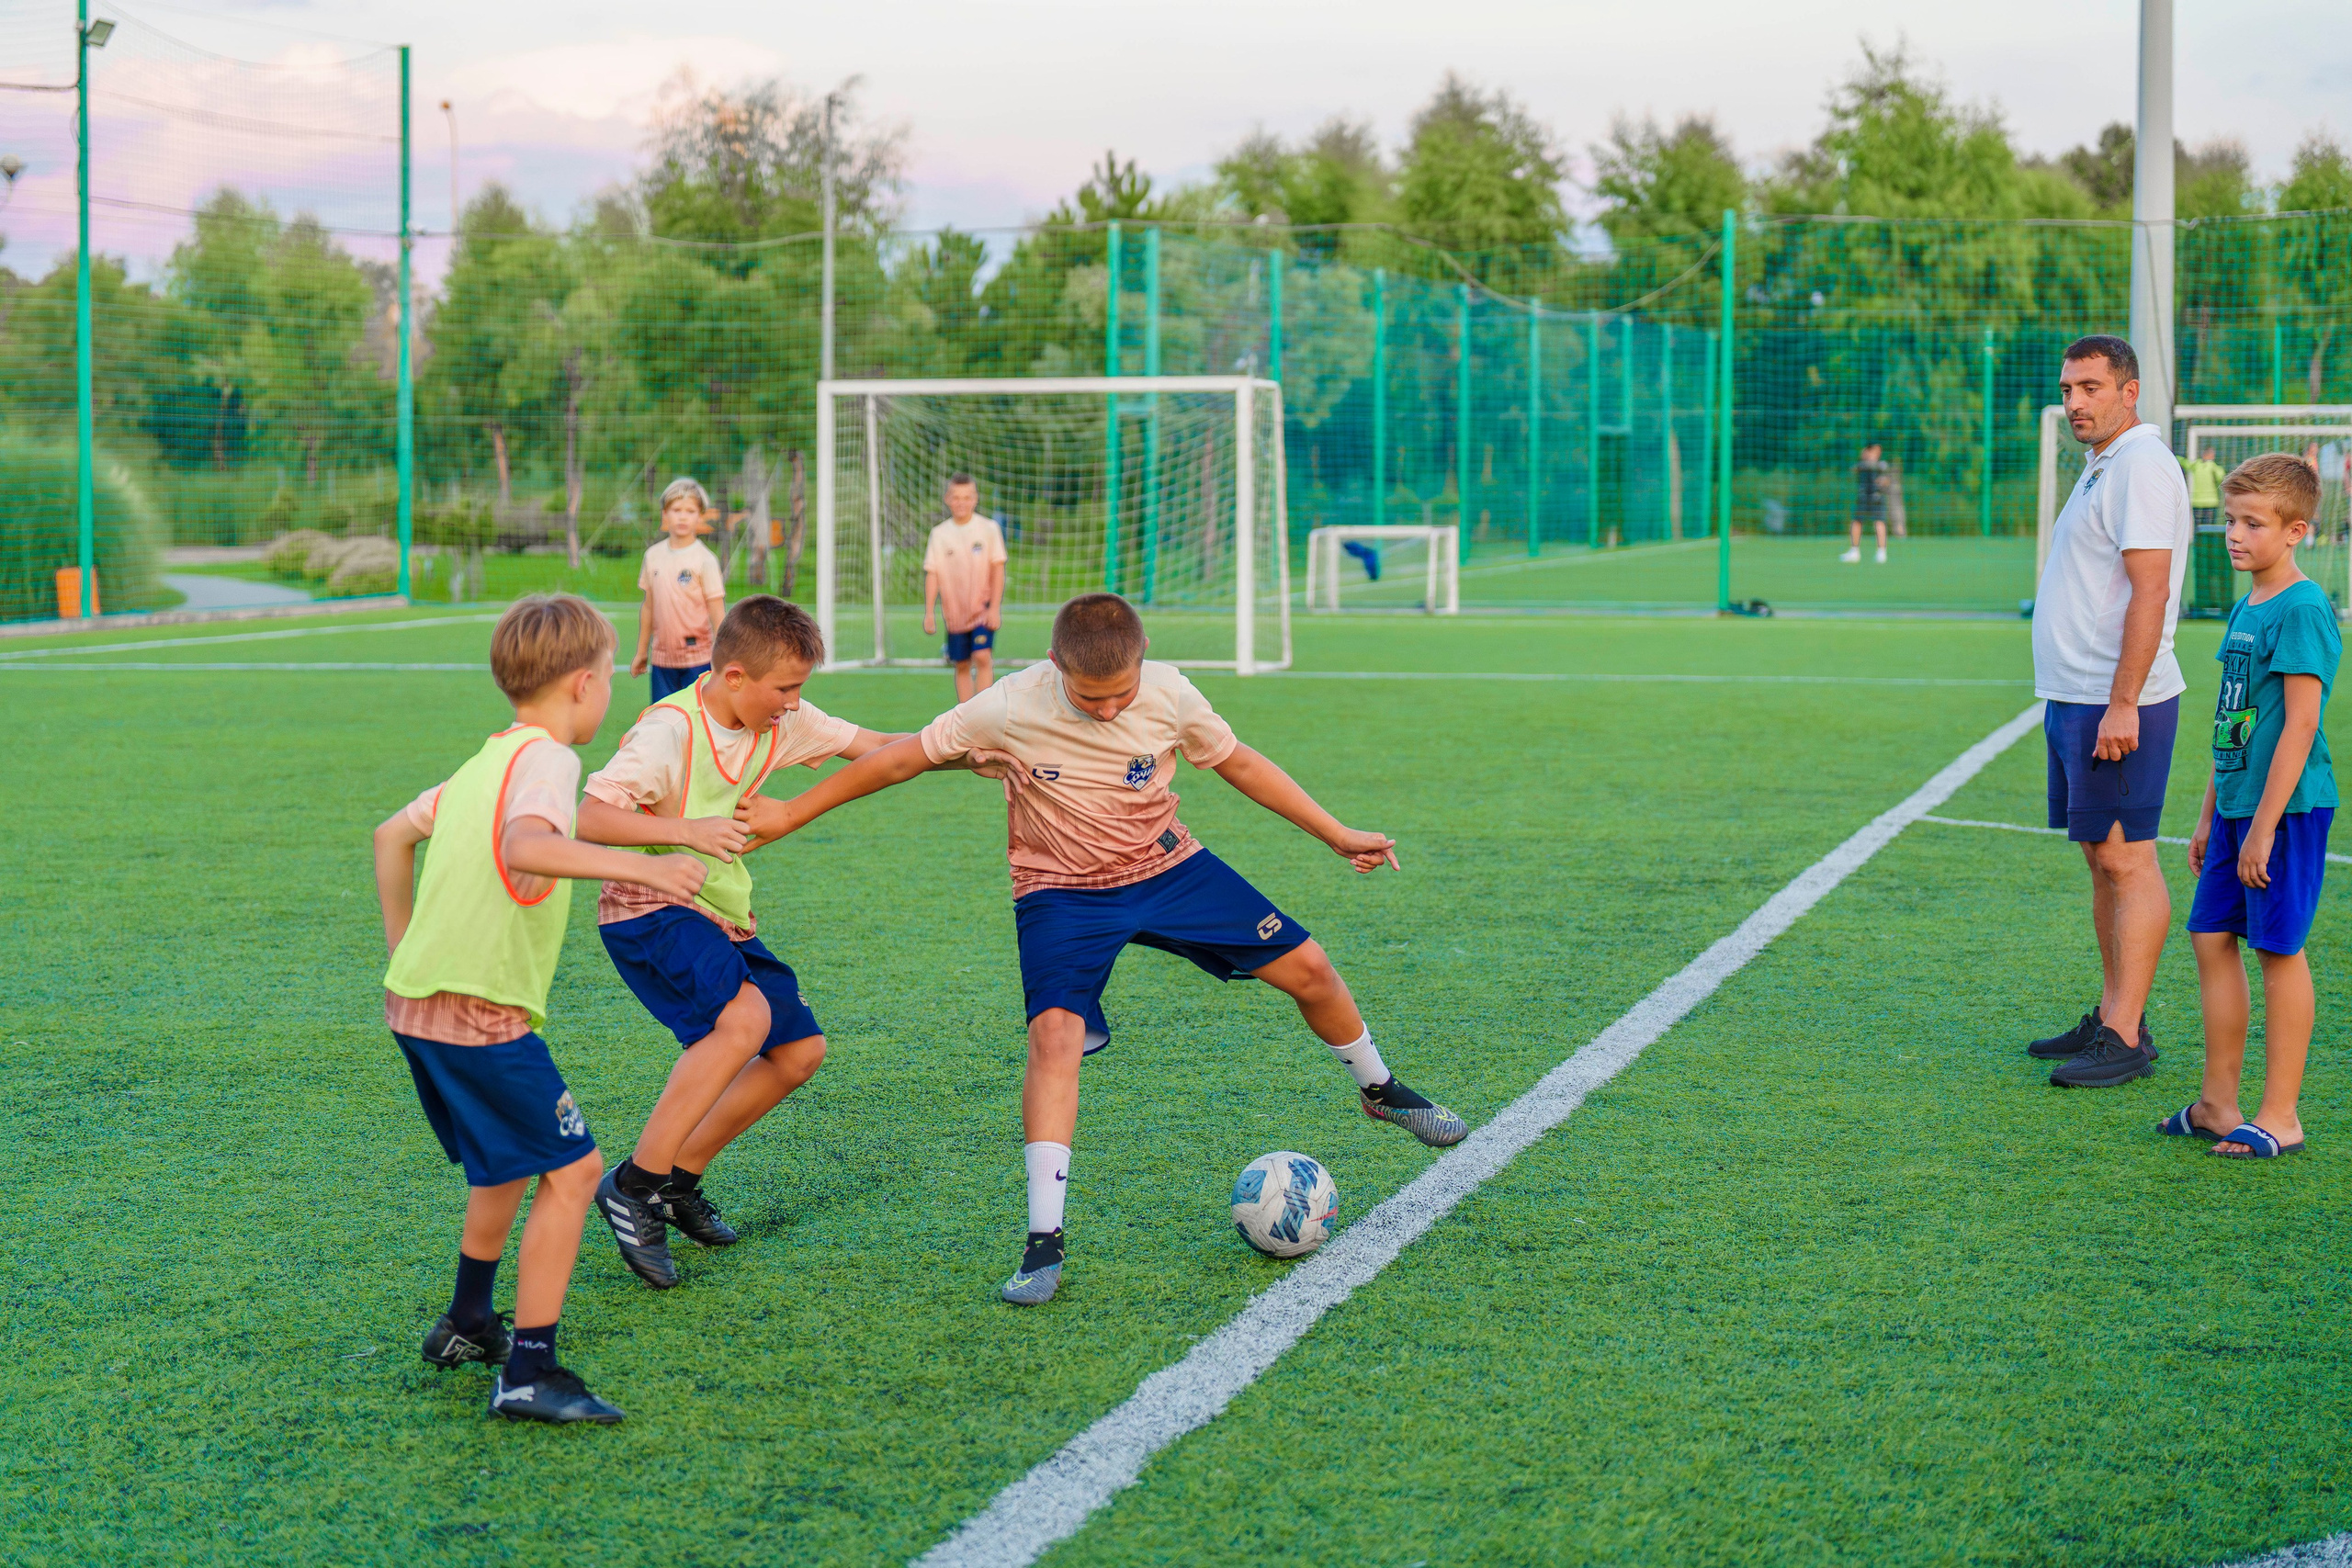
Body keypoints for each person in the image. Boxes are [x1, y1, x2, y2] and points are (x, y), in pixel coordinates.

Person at [734, 592, 1470, 1307]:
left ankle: (1380, 1090)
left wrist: (1336, 832)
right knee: (1053, 1037)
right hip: (1060, 891)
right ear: (1055, 664)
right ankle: (1044, 1241)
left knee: (1310, 969)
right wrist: (792, 812)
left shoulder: (1172, 693)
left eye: (1121, 695)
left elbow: (1239, 762)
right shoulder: (1008, 704)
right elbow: (901, 760)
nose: (1110, 709)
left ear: (1143, 661)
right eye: (1090, 698)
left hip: (1168, 868)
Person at [576, 596, 1016, 1287]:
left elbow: (878, 747)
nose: (793, 702)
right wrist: (688, 831)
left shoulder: (780, 720)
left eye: (800, 687)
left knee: (798, 1051)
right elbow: (589, 816)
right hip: (647, 906)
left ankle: (677, 1179)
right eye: (785, 687)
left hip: (718, 909)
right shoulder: (668, 732)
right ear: (734, 677)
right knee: (744, 1020)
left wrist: (967, 757)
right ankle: (633, 1184)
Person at [373, 593, 707, 1424]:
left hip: (414, 1001)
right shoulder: (551, 760)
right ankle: (529, 1369)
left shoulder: (481, 762)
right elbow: (527, 844)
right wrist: (658, 869)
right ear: (585, 684)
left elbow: (390, 835)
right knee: (575, 1170)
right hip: (482, 1009)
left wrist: (405, 951)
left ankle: (469, 1319)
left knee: (505, 1162)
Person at [2026, 334, 2194, 1088]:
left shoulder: (2144, 468)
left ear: (2129, 391)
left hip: (2115, 702)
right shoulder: (2104, 466)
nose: (2075, 404)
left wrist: (2123, 701)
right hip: (2076, 695)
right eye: (2068, 390)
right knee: (2101, 857)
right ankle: (2112, 1012)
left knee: (2128, 857)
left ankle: (2126, 1033)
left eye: (2090, 387)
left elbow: (2151, 592)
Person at [2165, 454, 2337, 1158]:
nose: (2234, 534)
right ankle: (2218, 1102)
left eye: (2252, 523)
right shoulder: (2247, 603)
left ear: (2296, 530)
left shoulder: (2302, 606)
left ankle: (2281, 1114)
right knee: (2210, 936)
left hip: (2286, 813)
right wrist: (2212, 814)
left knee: (2277, 948)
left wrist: (2262, 825)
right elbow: (2232, 717)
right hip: (2237, 808)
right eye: (2230, 519)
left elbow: (2300, 723)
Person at [630, 477, 727, 702]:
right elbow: (648, 607)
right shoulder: (652, 556)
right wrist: (642, 651)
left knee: (698, 722)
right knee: (664, 721)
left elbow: (717, 612)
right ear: (665, 513)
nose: (683, 516)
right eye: (676, 510)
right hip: (662, 660)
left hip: (698, 659)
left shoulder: (705, 560)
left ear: (700, 515)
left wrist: (724, 655)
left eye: (690, 511)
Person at [922, 473, 1009, 702]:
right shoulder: (940, 534)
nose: (962, 502)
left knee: (981, 656)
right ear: (947, 499)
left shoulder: (988, 529)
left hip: (982, 608)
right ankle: (965, 714)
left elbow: (997, 569)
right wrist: (929, 612)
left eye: (967, 497)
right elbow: (933, 573)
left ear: (975, 499)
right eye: (956, 497)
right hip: (955, 613)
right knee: (961, 663)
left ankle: (982, 710)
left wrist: (994, 608)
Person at [2181, 448, 2231, 612]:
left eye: (2209, 454)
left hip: (2210, 502)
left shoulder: (2213, 467)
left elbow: (2221, 476)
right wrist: (2171, 453)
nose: (2207, 456)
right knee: (2199, 530)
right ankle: (2199, 547)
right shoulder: (2197, 465)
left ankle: (2209, 547)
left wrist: (2213, 466)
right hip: (2197, 501)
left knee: (2208, 529)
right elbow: (2186, 463)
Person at [1841, 442, 1891, 563]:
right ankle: (1854, 551)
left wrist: (1883, 481)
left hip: (1876, 496)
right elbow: (1854, 469)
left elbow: (1887, 481)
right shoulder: (1862, 465)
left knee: (1879, 522)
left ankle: (1881, 552)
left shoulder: (1881, 466)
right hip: (1863, 496)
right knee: (1857, 521)